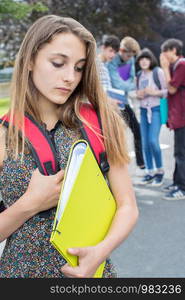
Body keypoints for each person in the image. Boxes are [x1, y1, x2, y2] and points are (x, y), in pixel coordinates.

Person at [0, 15, 138, 278]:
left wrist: (101, 251)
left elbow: (127, 205)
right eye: (58, 63)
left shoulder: (99, 121)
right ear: (30, 59)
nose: (69, 78)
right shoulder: (4, 133)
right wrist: (30, 204)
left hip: (90, 273)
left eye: (78, 68)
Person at [107, 36, 145, 172]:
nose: (130, 58)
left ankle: (141, 162)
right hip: (112, 103)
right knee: (116, 135)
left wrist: (129, 84)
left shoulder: (131, 59)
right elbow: (119, 83)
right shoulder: (111, 62)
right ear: (121, 51)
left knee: (137, 129)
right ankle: (113, 166)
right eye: (128, 55)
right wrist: (129, 84)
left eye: (132, 56)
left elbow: (131, 80)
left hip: (124, 101)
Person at [135, 48, 167, 186]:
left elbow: (166, 92)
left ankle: (160, 171)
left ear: (150, 60)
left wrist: (153, 92)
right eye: (141, 59)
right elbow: (136, 93)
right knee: (145, 143)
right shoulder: (139, 75)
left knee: (153, 141)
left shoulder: (157, 72)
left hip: (155, 110)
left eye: (146, 59)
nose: (143, 61)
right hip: (143, 110)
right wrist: (139, 94)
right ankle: (150, 172)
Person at [160, 38, 185, 200]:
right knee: (178, 151)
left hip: (183, 116)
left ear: (174, 50)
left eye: (165, 51)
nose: (163, 55)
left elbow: (172, 88)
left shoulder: (182, 65)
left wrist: (164, 68)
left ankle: (182, 188)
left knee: (181, 153)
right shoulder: (176, 65)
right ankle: (177, 182)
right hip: (178, 116)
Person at [97, 35, 127, 109]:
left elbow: (106, 89)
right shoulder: (94, 64)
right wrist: (108, 100)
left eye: (115, 52)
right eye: (110, 51)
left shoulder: (105, 67)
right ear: (103, 48)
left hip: (105, 107)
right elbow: (91, 89)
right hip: (96, 108)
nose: (113, 55)